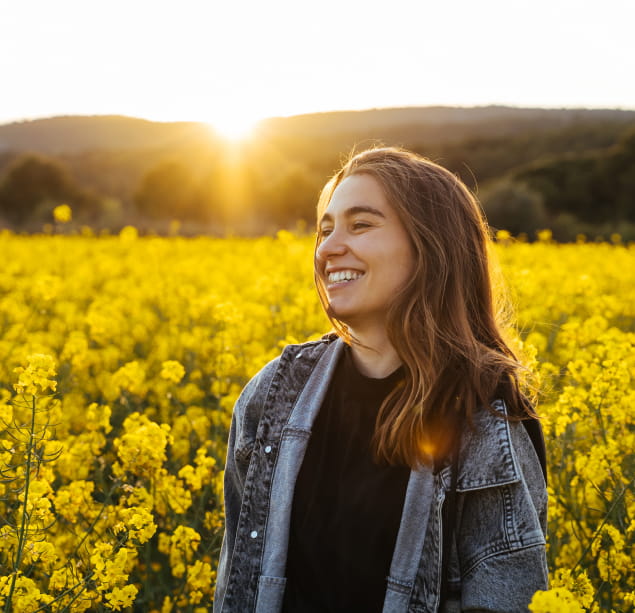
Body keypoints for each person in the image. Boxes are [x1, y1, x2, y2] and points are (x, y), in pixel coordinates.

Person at [213, 147, 548, 613]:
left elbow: (505, 596)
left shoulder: (485, 416)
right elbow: (237, 585)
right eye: (325, 229)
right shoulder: (270, 395)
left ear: (431, 245)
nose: (328, 248)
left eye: (361, 224)